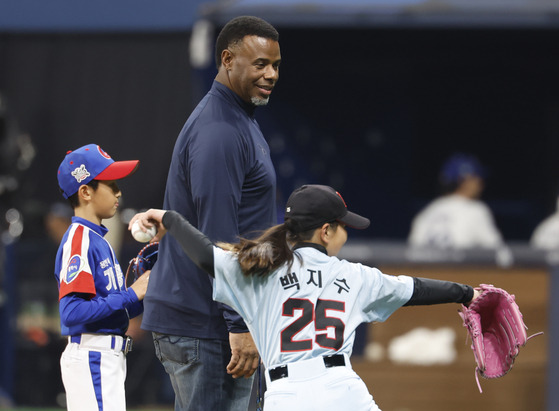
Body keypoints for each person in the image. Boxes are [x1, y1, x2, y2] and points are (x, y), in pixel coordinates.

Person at [130, 184, 481, 411]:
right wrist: (467, 293)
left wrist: (170, 219)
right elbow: (415, 289)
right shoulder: (355, 275)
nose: (347, 232)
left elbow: (206, 254)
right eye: (343, 225)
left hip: (286, 394)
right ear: (326, 231)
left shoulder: (257, 269)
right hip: (343, 390)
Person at [140, 16, 281, 410]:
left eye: (275, 65)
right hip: (209, 326)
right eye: (260, 64)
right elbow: (220, 236)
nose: (270, 74)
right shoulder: (219, 131)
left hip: (213, 321)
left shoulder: (238, 119)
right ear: (227, 59)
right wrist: (239, 325)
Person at [55, 144, 150, 411]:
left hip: (104, 356)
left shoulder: (98, 239)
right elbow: (72, 312)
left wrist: (144, 289)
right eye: (110, 183)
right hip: (92, 355)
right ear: (85, 191)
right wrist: (132, 293)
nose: (119, 191)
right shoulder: (80, 240)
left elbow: (117, 308)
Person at [408, 153, 504, 249]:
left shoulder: (425, 214)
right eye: (477, 178)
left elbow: (410, 257)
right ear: (465, 182)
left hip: (427, 264)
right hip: (457, 264)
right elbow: (499, 255)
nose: (481, 184)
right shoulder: (475, 211)